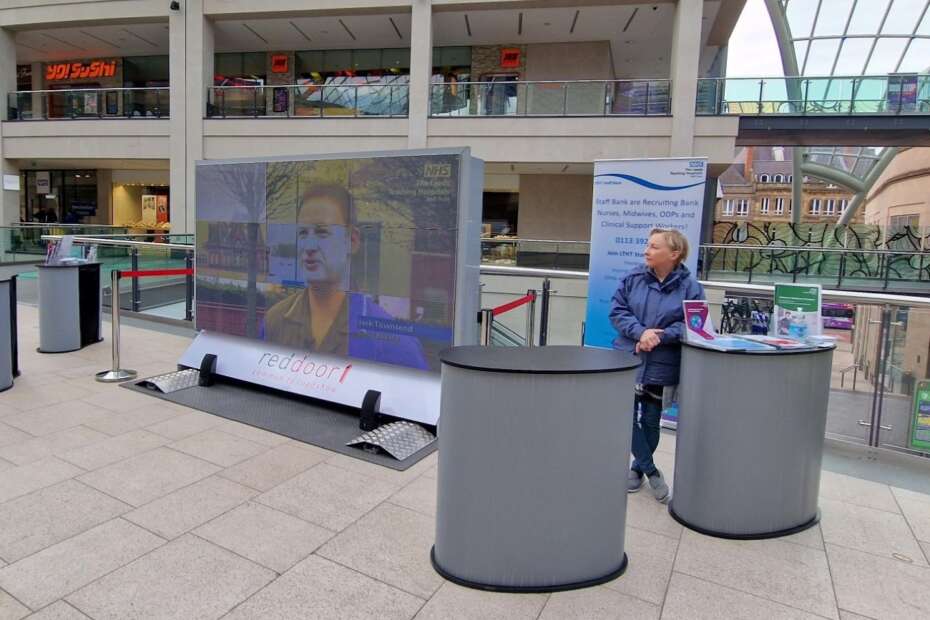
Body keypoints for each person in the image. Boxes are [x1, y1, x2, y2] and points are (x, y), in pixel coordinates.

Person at [262, 184, 429, 370]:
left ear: (352, 241)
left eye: (322, 232)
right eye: (302, 233)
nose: (309, 246)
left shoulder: (396, 344)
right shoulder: (274, 321)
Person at [608, 228, 705, 503]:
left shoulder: (691, 287)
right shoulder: (633, 278)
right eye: (647, 245)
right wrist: (641, 333)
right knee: (626, 417)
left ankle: (636, 469)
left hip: (663, 362)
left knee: (651, 420)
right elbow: (617, 311)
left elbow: (693, 323)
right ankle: (652, 472)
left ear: (674, 254)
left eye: (653, 246)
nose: (646, 251)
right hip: (629, 357)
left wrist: (659, 336)